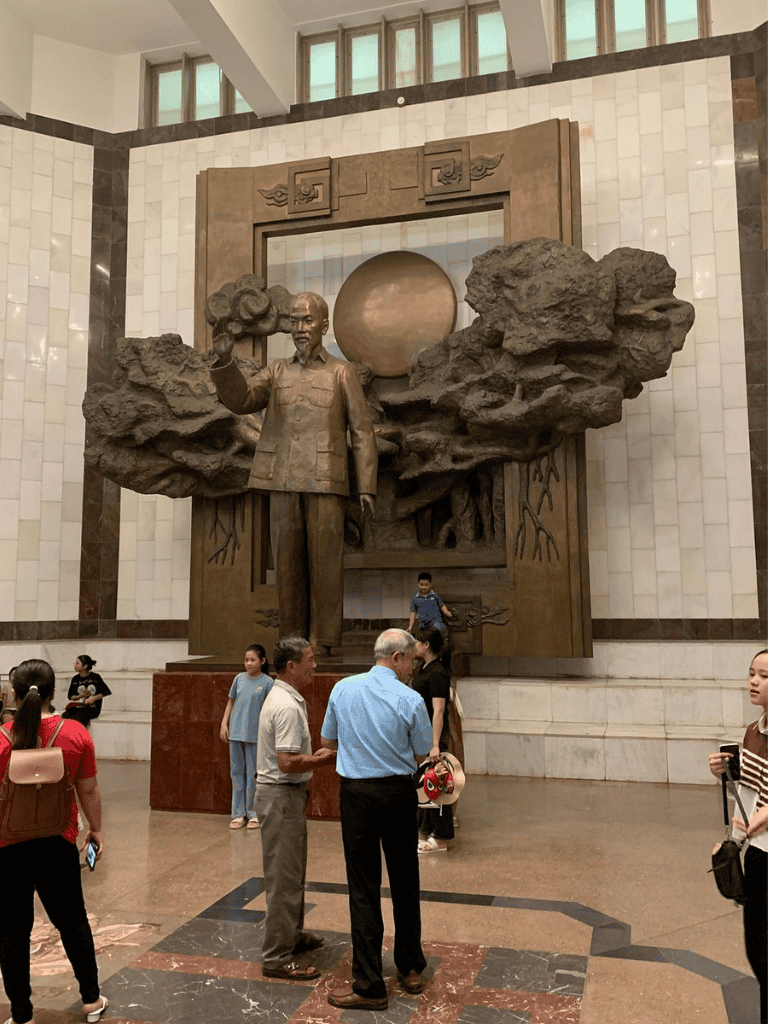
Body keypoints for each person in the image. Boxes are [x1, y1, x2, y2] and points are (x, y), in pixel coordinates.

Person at [210, 291, 378, 653]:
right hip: (281, 478)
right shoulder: (277, 371)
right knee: (286, 564)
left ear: (323, 325)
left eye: (308, 320)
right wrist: (225, 363)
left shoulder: (341, 372)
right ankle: (291, 638)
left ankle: (325, 639)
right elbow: (241, 401)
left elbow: (362, 432)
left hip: (325, 479)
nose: (300, 328)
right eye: (294, 321)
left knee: (326, 566)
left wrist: (367, 485)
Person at [321, 628, 433, 1011]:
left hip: (355, 796)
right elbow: (421, 752)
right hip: (397, 795)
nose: (411, 668)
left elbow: (329, 741)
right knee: (405, 879)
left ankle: (369, 983)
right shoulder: (410, 698)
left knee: (363, 886)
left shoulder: (342, 689)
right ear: (397, 657)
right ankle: (410, 967)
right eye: (411, 661)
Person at [0, 659, 107, 1024]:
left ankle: (21, 1014)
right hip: (57, 842)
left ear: (14, 694)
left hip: (7, 847)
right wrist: (96, 829)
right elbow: (88, 789)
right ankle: (91, 1001)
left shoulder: (1, 740)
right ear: (53, 692)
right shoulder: (75, 734)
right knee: (72, 921)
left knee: (12, 931)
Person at [255, 637, 337, 981]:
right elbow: (287, 762)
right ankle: (276, 957)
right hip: (280, 796)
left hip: (286, 797)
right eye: (309, 659)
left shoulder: (285, 698)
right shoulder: (286, 706)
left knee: (292, 873)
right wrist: (320, 760)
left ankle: (292, 935)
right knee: (283, 879)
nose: (314, 665)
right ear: (291, 667)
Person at [708, 648, 767, 1023]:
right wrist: (725, 772)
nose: (754, 681)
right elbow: (749, 795)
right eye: (751, 673)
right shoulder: (753, 732)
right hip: (759, 854)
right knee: (758, 949)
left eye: (763, 675)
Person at [219, 643, 273, 830]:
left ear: (262, 661)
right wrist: (224, 723)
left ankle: (253, 813)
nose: (248, 663)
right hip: (235, 732)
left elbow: (269, 710)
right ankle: (238, 813)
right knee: (236, 772)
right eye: (246, 660)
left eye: (252, 660)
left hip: (255, 735)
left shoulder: (267, 683)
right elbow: (230, 702)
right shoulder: (239, 679)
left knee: (253, 774)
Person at [412, 627, 454, 853]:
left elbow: (439, 711)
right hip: (423, 734)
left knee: (435, 782)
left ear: (426, 645)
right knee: (425, 784)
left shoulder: (437, 673)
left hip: (433, 736)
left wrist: (435, 744)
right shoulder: (425, 668)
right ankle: (426, 832)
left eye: (417, 642)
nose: (414, 646)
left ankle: (439, 836)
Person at [61, 657, 111, 730]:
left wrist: (93, 698)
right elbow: (70, 696)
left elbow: (106, 692)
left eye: (77, 663)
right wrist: (79, 696)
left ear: (85, 666)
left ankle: (79, 735)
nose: (75, 665)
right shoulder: (75, 679)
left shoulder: (95, 677)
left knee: (78, 716)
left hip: (92, 708)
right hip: (79, 706)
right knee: (65, 715)